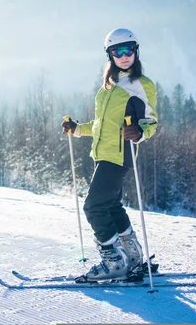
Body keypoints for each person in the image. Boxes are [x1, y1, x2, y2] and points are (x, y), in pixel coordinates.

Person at [62, 28, 158, 281]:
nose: (124, 56)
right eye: (118, 51)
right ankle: (133, 256)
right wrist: (77, 129)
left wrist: (138, 132)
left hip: (119, 155)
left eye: (129, 50)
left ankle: (114, 263)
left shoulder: (142, 85)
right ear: (110, 55)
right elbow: (100, 126)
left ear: (136, 52)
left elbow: (151, 122)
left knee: (93, 207)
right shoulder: (109, 86)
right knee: (111, 205)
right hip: (103, 155)